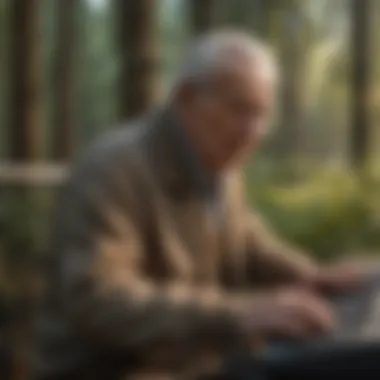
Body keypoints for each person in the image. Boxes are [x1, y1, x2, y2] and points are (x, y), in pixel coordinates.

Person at [32, 31, 367, 380]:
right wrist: (239, 314)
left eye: (262, 115)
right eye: (239, 109)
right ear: (185, 97)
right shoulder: (112, 171)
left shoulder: (220, 164)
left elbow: (250, 244)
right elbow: (98, 301)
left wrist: (311, 275)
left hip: (192, 362)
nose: (252, 131)